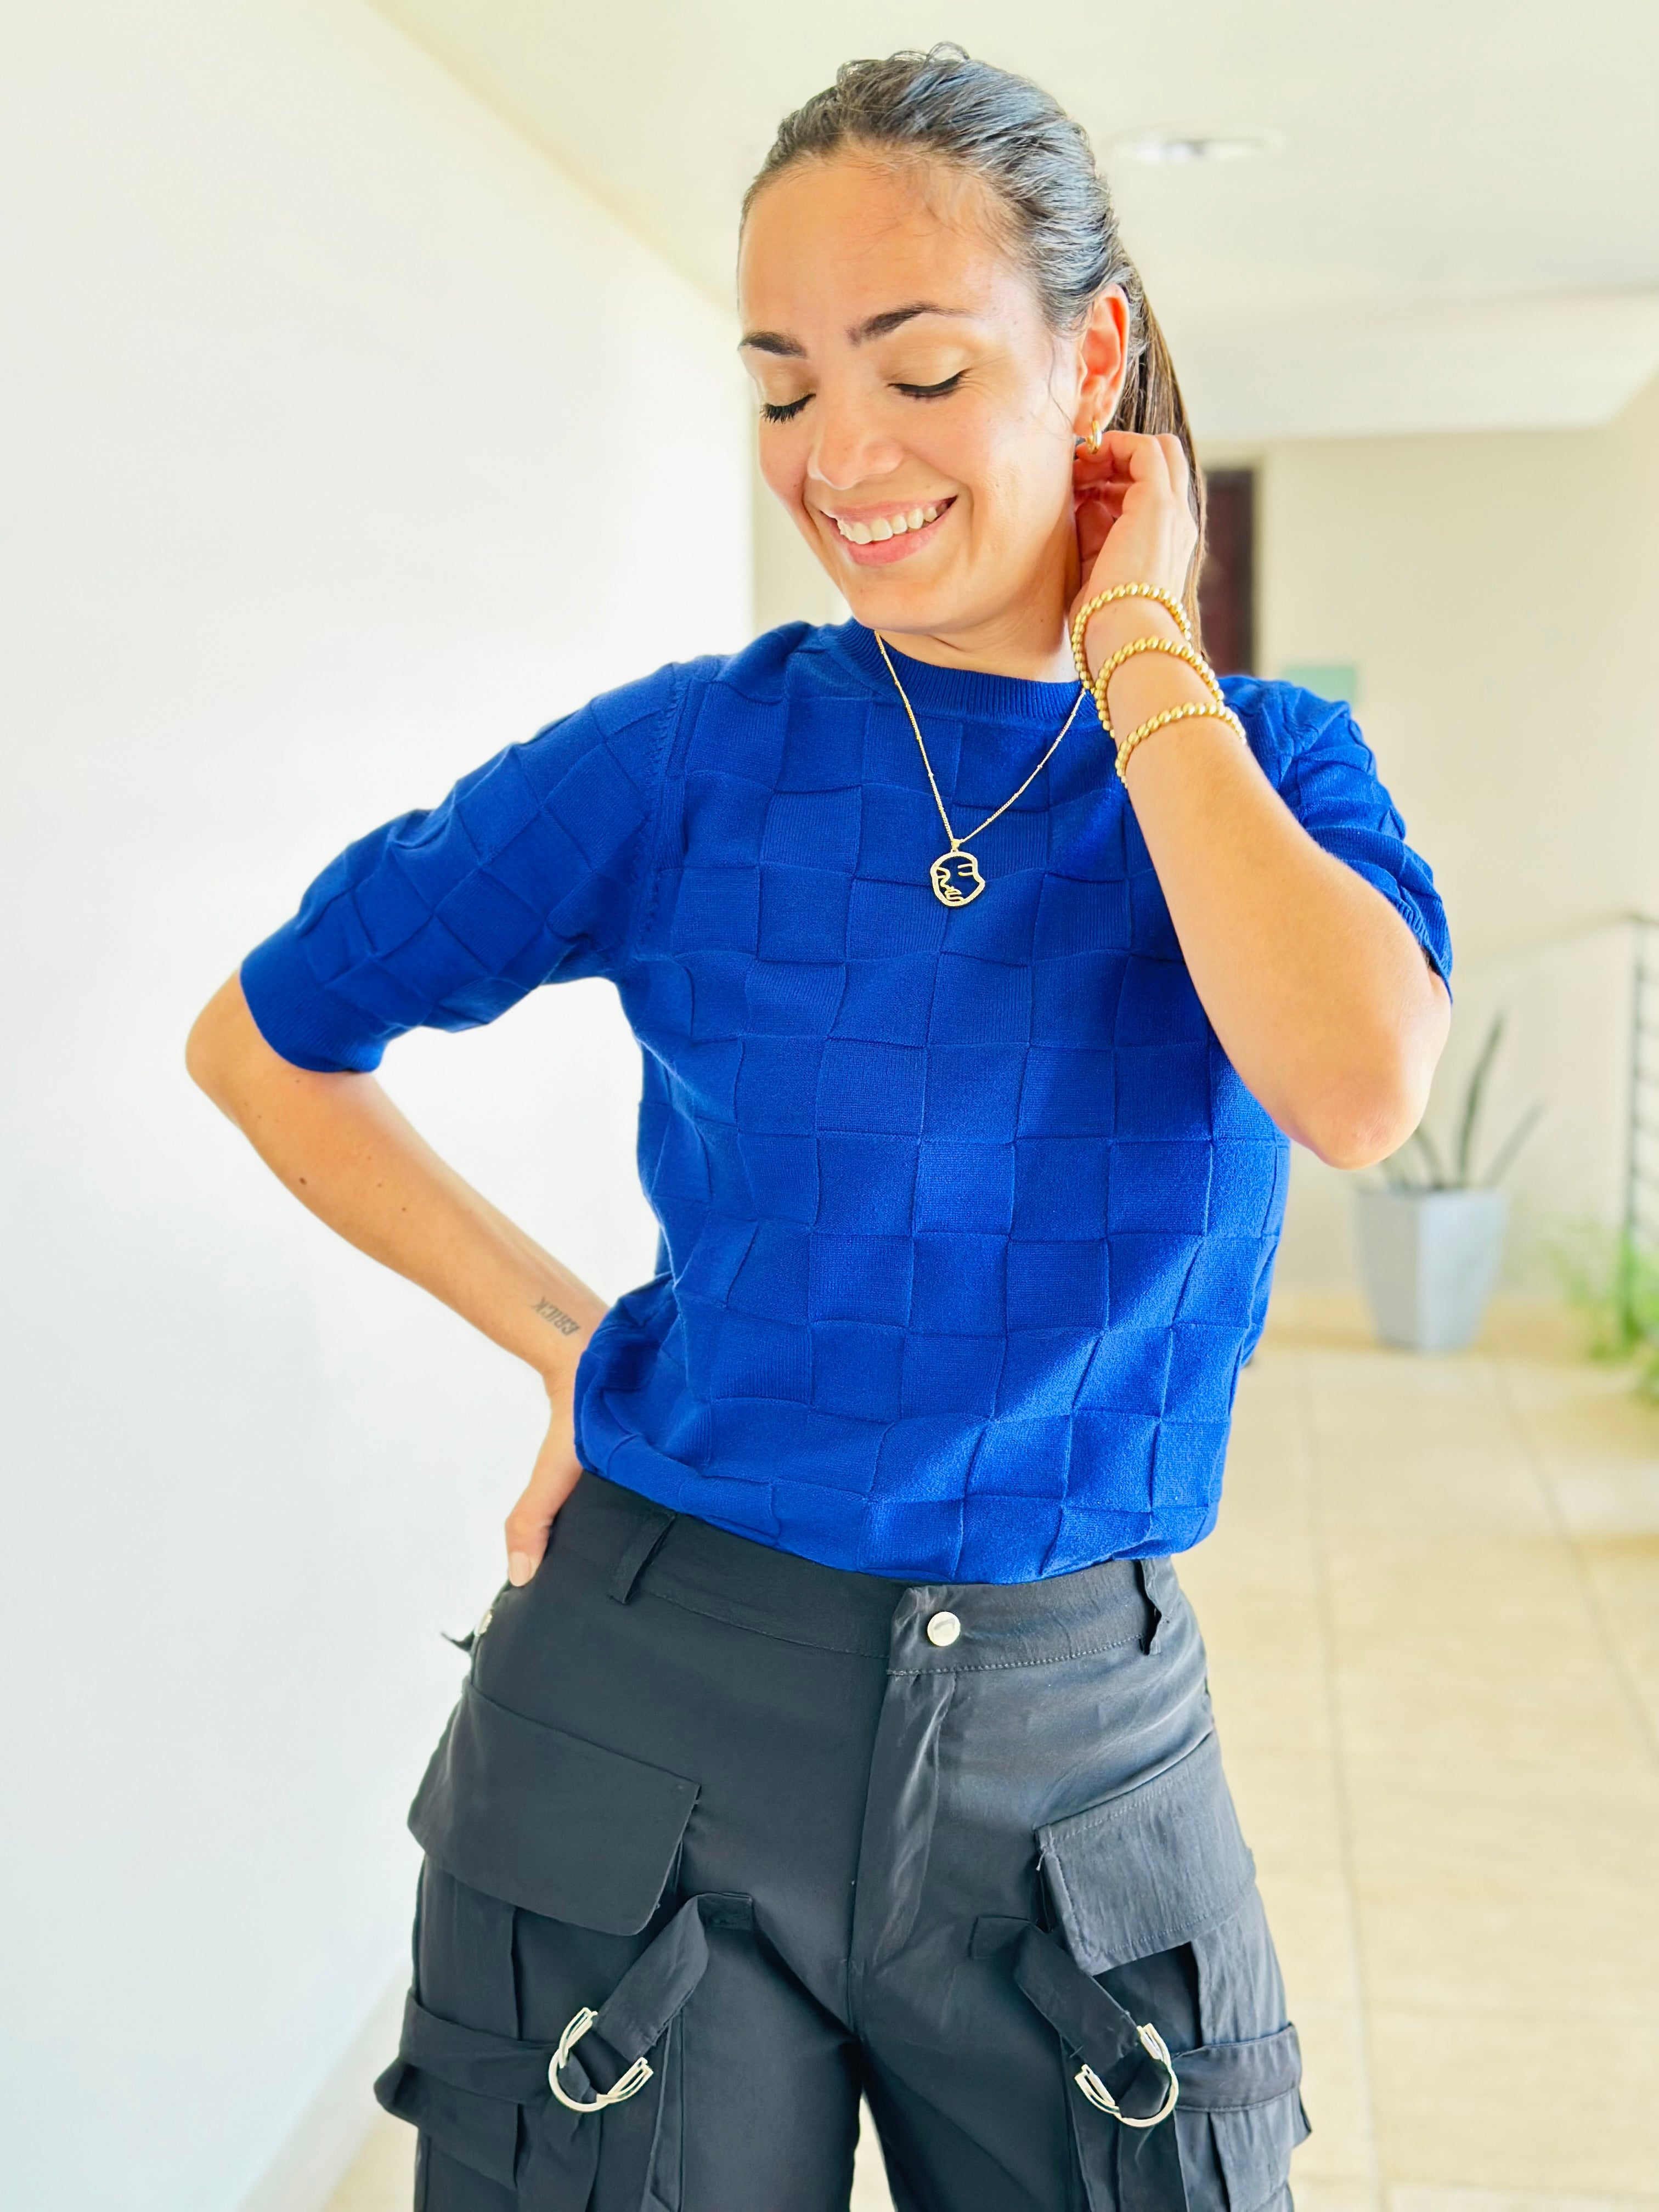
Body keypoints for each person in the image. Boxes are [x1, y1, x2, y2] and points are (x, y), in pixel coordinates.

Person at [187, 45, 1449, 2212]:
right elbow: (266, 1038)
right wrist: (575, 1338)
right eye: (781, 387)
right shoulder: (693, 762)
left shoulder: (1270, 773)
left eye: (920, 369)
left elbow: (1353, 1085)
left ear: (1096, 359)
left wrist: (1140, 643)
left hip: (1083, 1771)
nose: (838, 459)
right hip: (648, 1719)